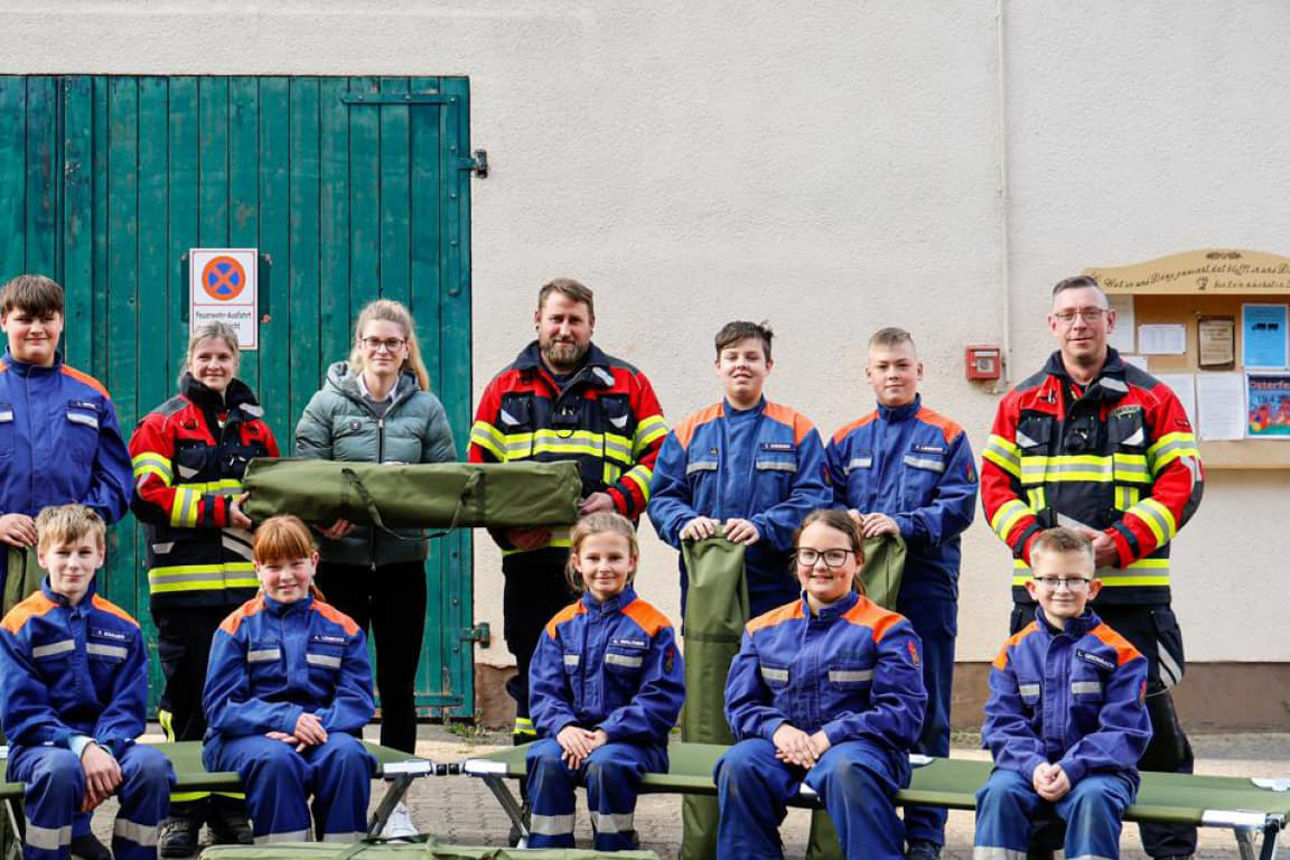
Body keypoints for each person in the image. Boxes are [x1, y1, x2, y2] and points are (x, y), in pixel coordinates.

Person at [981, 275, 1203, 859]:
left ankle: (1171, 850)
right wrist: (1041, 549)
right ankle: (1040, 845)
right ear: (1052, 326)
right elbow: (995, 489)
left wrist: (1120, 544)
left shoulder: (1153, 398)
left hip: (1132, 600)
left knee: (1152, 732)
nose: (1079, 324)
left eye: (1090, 313)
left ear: (1109, 323)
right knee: (1039, 722)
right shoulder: (1019, 402)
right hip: (1042, 599)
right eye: (1068, 315)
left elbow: (1185, 480)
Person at [468, 278, 668, 745]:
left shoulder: (629, 384)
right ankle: (535, 791)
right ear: (537, 320)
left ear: (591, 325)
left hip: (604, 564)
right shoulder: (504, 387)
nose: (564, 329)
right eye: (556, 318)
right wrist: (509, 533)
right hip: (530, 561)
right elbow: (479, 474)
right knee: (534, 666)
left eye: (575, 320)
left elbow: (662, 460)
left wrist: (615, 501)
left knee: (612, 667)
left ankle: (608, 781)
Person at [295, 298, 456, 837]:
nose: (383, 350)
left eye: (393, 342)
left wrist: (403, 484)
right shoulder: (326, 404)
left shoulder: (426, 410)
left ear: (406, 350)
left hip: (401, 566)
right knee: (341, 685)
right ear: (358, 347)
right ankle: (344, 798)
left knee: (398, 687)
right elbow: (306, 478)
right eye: (373, 341)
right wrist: (324, 523)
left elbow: (445, 484)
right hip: (339, 566)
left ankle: (396, 807)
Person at [824, 326, 977, 860]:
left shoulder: (948, 436)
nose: (893, 374)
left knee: (927, 710)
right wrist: (849, 521)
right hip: (858, 597)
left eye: (902, 366)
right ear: (869, 374)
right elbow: (823, 507)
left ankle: (927, 836)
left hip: (925, 589)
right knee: (860, 703)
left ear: (919, 371)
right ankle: (871, 828)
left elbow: (959, 506)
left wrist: (905, 523)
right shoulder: (844, 440)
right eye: (883, 367)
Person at [129, 321, 278, 855]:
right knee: (186, 705)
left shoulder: (256, 430)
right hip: (182, 594)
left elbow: (275, 495)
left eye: (223, 356)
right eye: (205, 356)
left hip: (244, 598)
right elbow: (146, 497)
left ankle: (230, 811)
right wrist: (220, 511)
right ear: (190, 360)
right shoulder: (161, 423)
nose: (214, 365)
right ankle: (182, 813)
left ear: (237, 361)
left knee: (240, 703)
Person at [0, 273, 134, 860]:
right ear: (4, 322)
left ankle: (69, 830)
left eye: (45, 317)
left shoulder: (88, 394)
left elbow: (118, 482)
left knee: (67, 685)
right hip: (2, 560)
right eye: (23, 317)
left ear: (60, 324)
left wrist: (78, 524)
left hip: (64, 569)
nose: (35, 328)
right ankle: (5, 833)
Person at [716, 508, 927, 859]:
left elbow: (902, 714)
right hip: (783, 747)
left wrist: (828, 737)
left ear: (858, 561)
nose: (820, 566)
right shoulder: (762, 628)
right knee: (739, 765)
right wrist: (778, 729)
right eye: (809, 554)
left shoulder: (889, 629)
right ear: (796, 560)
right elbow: (740, 705)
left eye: (834, 555)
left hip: (862, 751)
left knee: (846, 769)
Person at [0, 505, 175, 860]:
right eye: (63, 553)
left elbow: (128, 707)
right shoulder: (19, 625)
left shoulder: (124, 626)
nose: (73, 564)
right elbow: (22, 713)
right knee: (60, 769)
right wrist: (81, 748)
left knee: (152, 768)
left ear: (101, 556)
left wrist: (104, 751)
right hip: (38, 748)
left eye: (84, 552)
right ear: (43, 556)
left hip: (109, 747)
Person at [975, 527, 1152, 860]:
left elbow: (1124, 731)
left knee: (1095, 799)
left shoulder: (1121, 654)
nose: (1062, 589)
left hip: (1098, 773)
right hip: (1027, 771)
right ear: (1032, 587)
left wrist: (1072, 768)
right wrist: (1033, 766)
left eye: (1074, 579)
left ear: (1093, 588)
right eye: (1051, 579)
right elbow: (1001, 725)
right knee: (998, 792)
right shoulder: (1014, 651)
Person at [202, 515, 377, 845]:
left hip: (323, 734)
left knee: (349, 757)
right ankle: (285, 852)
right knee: (276, 761)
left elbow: (357, 701)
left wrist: (311, 726)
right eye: (273, 567)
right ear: (257, 569)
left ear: (313, 562)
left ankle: (344, 852)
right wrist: (287, 719)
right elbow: (221, 708)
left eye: (296, 563)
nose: (285, 577)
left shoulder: (344, 628)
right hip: (243, 738)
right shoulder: (235, 628)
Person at [649, 320, 831, 618]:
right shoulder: (688, 432)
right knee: (710, 664)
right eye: (732, 357)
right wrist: (684, 522)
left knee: (774, 662)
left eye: (751, 357)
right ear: (717, 366)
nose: (741, 365)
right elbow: (662, 498)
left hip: (775, 581)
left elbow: (815, 498)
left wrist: (762, 527)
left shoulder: (798, 429)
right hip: (706, 580)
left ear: (768, 365)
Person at [525, 512, 684, 851]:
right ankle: (547, 851)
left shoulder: (653, 625)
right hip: (570, 738)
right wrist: (564, 727)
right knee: (547, 759)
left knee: (605, 764)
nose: (604, 567)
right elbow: (544, 691)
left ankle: (615, 848)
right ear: (577, 562)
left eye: (615, 558)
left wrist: (608, 732)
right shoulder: (560, 625)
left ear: (633, 561)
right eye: (593, 558)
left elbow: (660, 699)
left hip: (633, 744)